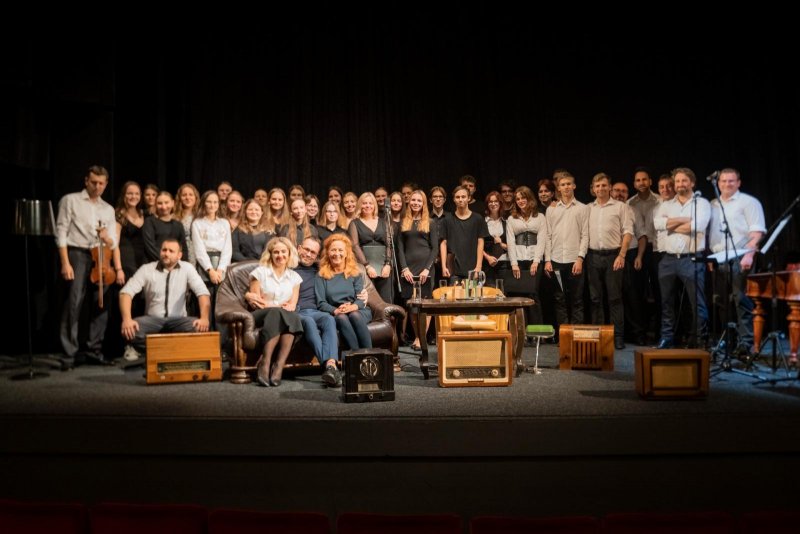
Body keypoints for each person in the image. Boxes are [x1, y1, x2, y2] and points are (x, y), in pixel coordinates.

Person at [56, 165, 118, 365]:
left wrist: (107, 237)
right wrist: (65, 263)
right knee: (74, 302)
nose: (97, 187)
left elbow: (113, 242)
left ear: (106, 184)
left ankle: (94, 349)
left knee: (101, 303)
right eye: (93, 182)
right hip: (78, 253)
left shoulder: (107, 209)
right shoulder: (70, 200)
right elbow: (61, 232)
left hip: (101, 255)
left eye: (101, 183)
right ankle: (69, 352)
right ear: (86, 181)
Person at [119, 238, 211, 361]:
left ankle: (158, 351)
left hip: (179, 320)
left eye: (171, 251)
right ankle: (172, 351)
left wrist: (204, 318)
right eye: (164, 250)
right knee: (131, 331)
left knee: (199, 328)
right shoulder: (147, 269)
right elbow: (126, 293)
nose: (166, 253)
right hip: (153, 320)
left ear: (179, 255)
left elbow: (203, 293)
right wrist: (127, 319)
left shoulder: (187, 268)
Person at [708, 168, 766, 355]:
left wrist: (749, 255)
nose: (727, 184)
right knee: (721, 301)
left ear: (738, 183)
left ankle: (746, 342)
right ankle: (727, 339)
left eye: (731, 181)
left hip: (740, 255)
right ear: (718, 183)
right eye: (723, 181)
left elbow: (757, 231)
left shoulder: (749, 202)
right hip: (718, 258)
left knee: (740, 299)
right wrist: (710, 256)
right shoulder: (713, 204)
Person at [653, 167, 710, 349]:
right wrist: (685, 220)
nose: (679, 184)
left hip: (691, 259)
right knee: (666, 302)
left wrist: (671, 224)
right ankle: (667, 337)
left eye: (683, 181)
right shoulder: (667, 204)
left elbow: (697, 226)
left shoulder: (701, 203)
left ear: (692, 183)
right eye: (677, 181)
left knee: (696, 303)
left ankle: (701, 339)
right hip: (668, 260)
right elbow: (658, 224)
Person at [243, 237, 304, 387]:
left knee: (291, 316)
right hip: (260, 314)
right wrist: (275, 305)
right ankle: (265, 361)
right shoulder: (260, 273)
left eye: (284, 252)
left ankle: (278, 366)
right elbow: (257, 302)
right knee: (277, 313)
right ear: (270, 254)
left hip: (281, 314)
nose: (280, 255)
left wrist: (286, 307)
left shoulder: (295, 278)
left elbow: (292, 304)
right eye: (276, 252)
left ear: (289, 254)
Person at [586, 173, 633, 350]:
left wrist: (621, 255)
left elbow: (628, 232)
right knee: (595, 298)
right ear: (593, 188)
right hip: (593, 256)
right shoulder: (588, 208)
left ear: (609, 187)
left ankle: (618, 337)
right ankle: (599, 334)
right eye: (597, 186)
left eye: (604, 185)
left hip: (614, 256)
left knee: (614, 298)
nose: (600, 189)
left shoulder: (621, 207)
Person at [293, 237, 346, 387]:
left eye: (313, 252)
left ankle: (330, 366)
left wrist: (362, 294)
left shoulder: (321, 271)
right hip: (297, 311)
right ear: (299, 248)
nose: (308, 254)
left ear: (317, 256)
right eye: (306, 250)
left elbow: (344, 278)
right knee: (309, 322)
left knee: (329, 319)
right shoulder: (288, 268)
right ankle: (330, 367)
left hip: (315, 311)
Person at [544, 172, 589, 327]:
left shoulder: (583, 208)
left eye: (569, 184)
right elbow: (548, 236)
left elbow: (585, 235)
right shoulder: (552, 209)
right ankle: (564, 334)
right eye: (563, 184)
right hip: (556, 260)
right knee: (559, 299)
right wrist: (547, 260)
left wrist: (580, 258)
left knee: (577, 299)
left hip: (574, 260)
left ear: (574, 186)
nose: (566, 187)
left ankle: (575, 333)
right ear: (559, 188)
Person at [397, 190, 439, 350]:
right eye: (413, 200)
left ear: (423, 203)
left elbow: (434, 248)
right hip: (409, 269)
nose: (415, 203)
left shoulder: (430, 222)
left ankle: (420, 339)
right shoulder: (404, 222)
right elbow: (399, 249)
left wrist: (427, 269)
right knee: (412, 305)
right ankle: (416, 336)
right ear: (409, 202)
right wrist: (404, 268)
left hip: (425, 268)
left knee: (425, 304)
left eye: (419, 201)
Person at [315, 234, 372, 350]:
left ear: (346, 253)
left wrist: (352, 307)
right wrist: (336, 310)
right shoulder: (321, 275)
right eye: (333, 250)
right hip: (336, 312)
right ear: (327, 253)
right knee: (342, 318)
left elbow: (361, 298)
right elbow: (321, 302)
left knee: (354, 316)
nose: (337, 254)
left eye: (340, 250)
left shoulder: (355, 272)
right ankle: (357, 356)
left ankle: (370, 354)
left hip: (358, 310)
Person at [627, 168, 661, 343]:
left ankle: (659, 333)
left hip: (657, 250)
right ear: (634, 184)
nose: (641, 183)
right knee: (637, 292)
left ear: (650, 181)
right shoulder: (629, 203)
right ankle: (639, 333)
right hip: (637, 250)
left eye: (644, 179)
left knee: (659, 291)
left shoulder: (660, 201)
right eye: (637, 180)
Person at [505, 186, 548, 326]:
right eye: (517, 199)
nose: (520, 201)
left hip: (534, 260)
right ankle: (522, 331)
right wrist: (514, 263)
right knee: (519, 295)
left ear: (529, 198)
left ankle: (536, 332)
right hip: (518, 260)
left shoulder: (540, 217)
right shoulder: (511, 219)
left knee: (533, 294)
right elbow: (510, 242)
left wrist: (536, 261)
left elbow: (542, 240)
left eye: (523, 198)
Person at [349, 192, 393, 302]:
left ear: (374, 205)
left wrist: (388, 264)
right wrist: (367, 266)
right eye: (364, 203)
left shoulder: (384, 222)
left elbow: (389, 244)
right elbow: (354, 246)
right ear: (360, 205)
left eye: (370, 203)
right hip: (364, 269)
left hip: (384, 268)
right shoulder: (355, 223)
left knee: (386, 301)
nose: (368, 206)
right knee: (370, 302)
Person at [440, 185, 490, 283]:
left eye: (463, 197)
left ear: (469, 198)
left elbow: (480, 242)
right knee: (454, 298)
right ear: (454, 199)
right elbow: (443, 243)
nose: (460, 199)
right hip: (454, 270)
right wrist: (443, 266)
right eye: (457, 197)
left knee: (473, 297)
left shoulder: (477, 219)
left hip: (473, 270)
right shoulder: (447, 220)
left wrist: (478, 267)